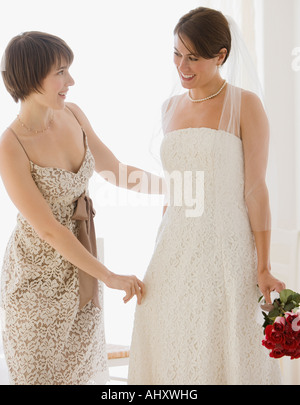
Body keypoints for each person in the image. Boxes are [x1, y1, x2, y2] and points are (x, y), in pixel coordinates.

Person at [128, 7, 286, 385]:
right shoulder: (168, 109)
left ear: (221, 56)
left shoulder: (246, 104)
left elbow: (255, 188)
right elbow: (175, 189)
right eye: (177, 54)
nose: (182, 65)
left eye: (193, 57)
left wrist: (262, 265)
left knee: (224, 343)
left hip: (225, 246)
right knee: (172, 341)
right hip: (174, 246)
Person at [0, 31, 163, 385]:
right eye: (60, 72)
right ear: (30, 77)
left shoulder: (73, 113)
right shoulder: (10, 145)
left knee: (77, 377)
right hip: (35, 283)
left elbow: (116, 170)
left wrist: (173, 189)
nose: (70, 81)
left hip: (82, 276)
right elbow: (49, 229)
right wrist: (111, 276)